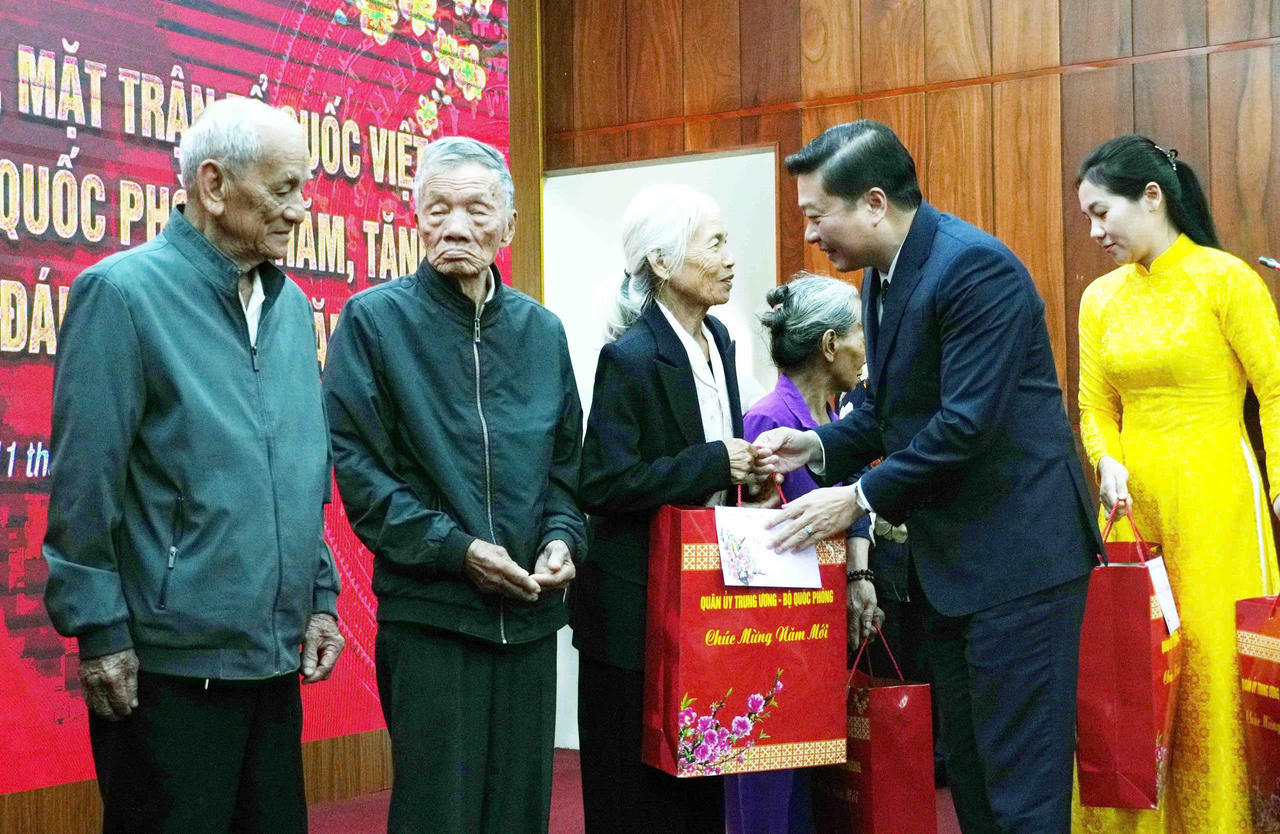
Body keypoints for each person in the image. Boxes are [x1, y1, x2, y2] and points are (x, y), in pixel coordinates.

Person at [754, 120, 1102, 833]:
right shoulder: (883, 279)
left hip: (1019, 566)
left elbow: (965, 425)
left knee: (1022, 794)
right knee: (973, 783)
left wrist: (855, 498)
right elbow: (887, 411)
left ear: (874, 203)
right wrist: (813, 446)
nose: (811, 235)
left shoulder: (974, 268)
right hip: (955, 570)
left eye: (818, 215)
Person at [41, 97, 344, 834]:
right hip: (169, 670)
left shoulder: (289, 306)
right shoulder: (121, 295)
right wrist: (99, 632)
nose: (300, 210)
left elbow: (297, 471)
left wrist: (320, 595)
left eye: (303, 190)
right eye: (284, 189)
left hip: (274, 662)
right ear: (213, 185)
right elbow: (86, 484)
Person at [323, 135, 584, 834]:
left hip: (530, 620)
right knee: (437, 815)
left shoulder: (541, 332)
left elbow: (567, 470)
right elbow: (362, 477)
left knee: (519, 815)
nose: (456, 227)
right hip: (432, 617)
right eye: (438, 209)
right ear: (416, 219)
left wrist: (562, 540)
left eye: (476, 209)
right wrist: (458, 551)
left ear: (509, 225)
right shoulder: (375, 323)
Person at [1073, 135, 1280, 833]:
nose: (1094, 232)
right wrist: (1104, 461)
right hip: (1134, 507)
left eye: (1102, 213)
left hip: (1219, 502)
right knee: (1134, 669)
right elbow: (1094, 407)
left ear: (1152, 197)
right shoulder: (1100, 299)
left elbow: (1276, 390)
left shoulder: (1227, 280)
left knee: (1216, 666)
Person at [571, 184, 771, 833]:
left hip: (702, 600)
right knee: (635, 798)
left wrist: (748, 478)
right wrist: (714, 464)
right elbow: (603, 482)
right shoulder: (629, 357)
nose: (730, 258)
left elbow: (717, 455)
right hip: (633, 609)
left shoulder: (721, 338)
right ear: (660, 261)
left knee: (701, 788)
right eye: (715, 244)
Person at [724, 273, 880, 834]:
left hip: (819, 625)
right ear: (830, 344)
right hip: (774, 635)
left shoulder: (834, 419)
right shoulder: (769, 419)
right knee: (770, 782)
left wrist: (859, 576)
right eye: (860, 331)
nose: (868, 344)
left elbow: (853, 504)